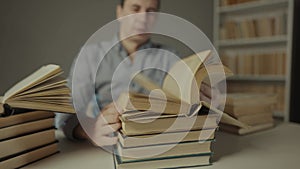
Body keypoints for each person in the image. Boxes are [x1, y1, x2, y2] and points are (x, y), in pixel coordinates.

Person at [56, 0, 222, 147]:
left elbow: (188, 109)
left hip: (160, 143)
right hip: (107, 146)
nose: (143, 18)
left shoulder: (170, 58)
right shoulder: (90, 55)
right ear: (120, 12)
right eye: (135, 8)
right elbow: (64, 112)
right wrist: (87, 129)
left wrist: (205, 104)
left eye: (151, 11)